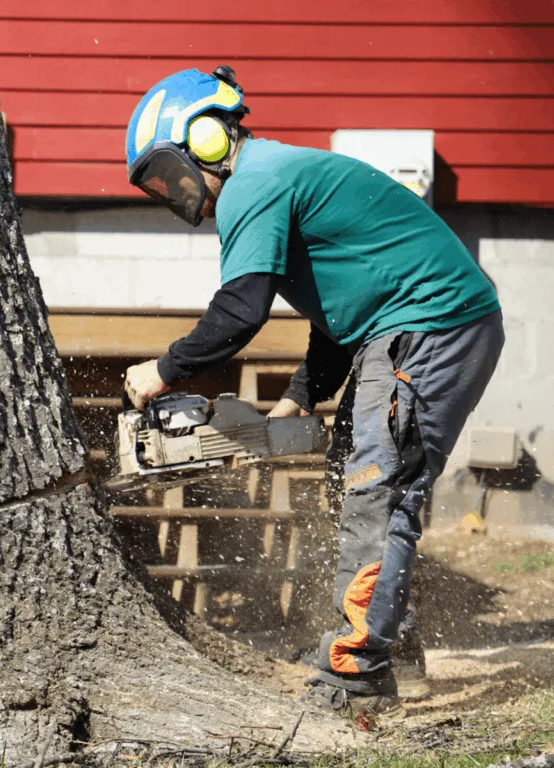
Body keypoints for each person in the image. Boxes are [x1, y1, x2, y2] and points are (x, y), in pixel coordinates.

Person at [122, 66, 504, 715]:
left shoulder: (255, 184)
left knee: (377, 490)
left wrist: (164, 369)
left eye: (170, 171)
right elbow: (338, 313)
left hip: (434, 324)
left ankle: (358, 669)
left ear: (207, 139)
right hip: (402, 326)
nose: (178, 191)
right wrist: (302, 396)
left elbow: (241, 310)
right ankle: (391, 644)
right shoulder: (275, 176)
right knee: (352, 473)